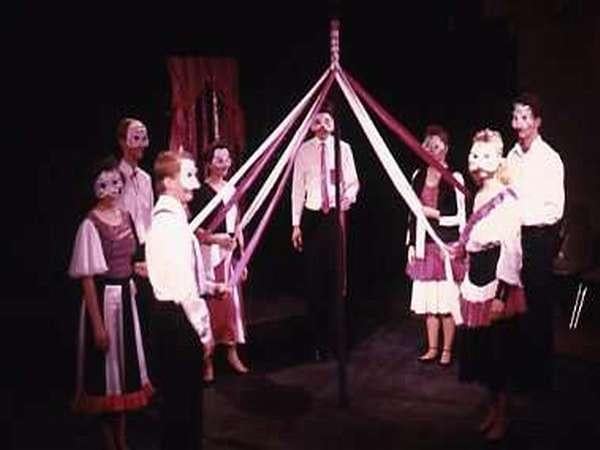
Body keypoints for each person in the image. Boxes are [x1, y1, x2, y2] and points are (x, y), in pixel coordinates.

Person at [68, 155, 153, 450]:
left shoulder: (127, 216)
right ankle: (109, 442)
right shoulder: (90, 225)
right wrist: (97, 325)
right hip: (105, 302)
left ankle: (123, 439)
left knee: (123, 374)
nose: (112, 189)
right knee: (107, 375)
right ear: (94, 188)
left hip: (125, 300)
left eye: (116, 183)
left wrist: (139, 269)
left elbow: (130, 259)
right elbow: (88, 278)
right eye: (104, 185)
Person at [145, 150, 226, 450]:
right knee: (183, 409)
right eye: (188, 176)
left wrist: (211, 285)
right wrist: (204, 332)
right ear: (168, 182)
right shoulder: (170, 225)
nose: (194, 184)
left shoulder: (171, 221)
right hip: (178, 320)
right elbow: (182, 288)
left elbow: (181, 273)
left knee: (182, 408)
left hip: (172, 316)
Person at [455, 129, 526, 441]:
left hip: (497, 281)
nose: (477, 162)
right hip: (477, 276)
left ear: (498, 161)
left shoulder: (506, 197)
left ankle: (504, 415)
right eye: (474, 156)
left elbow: (511, 248)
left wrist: (501, 295)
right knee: (484, 353)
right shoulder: (480, 195)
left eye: (485, 156)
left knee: (499, 354)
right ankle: (492, 409)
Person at [506, 93, 565, 391]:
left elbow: (555, 209)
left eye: (525, 117)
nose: (519, 124)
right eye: (516, 117)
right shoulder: (510, 157)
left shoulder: (550, 159)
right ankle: (519, 371)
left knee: (538, 307)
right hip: (513, 239)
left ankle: (541, 378)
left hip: (539, 239)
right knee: (515, 305)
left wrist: (523, 215)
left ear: (537, 122)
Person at [291, 110, 360, 361]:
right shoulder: (303, 151)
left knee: (335, 280)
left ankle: (336, 340)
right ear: (310, 126)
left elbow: (353, 182)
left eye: (327, 120)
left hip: (333, 217)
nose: (322, 125)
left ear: (333, 124)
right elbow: (297, 188)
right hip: (311, 219)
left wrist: (347, 198)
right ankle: (316, 343)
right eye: (317, 121)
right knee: (314, 282)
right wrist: (295, 224)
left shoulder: (344, 148)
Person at [405, 125, 466, 366]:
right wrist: (409, 243)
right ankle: (432, 348)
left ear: (446, 149)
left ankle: (447, 350)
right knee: (430, 303)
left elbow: (461, 216)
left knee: (446, 303)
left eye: (437, 145)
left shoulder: (455, 178)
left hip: (445, 245)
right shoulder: (417, 176)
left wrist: (434, 214)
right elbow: (412, 214)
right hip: (423, 245)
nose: (432, 149)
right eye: (428, 145)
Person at [189, 143, 249, 383]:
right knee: (211, 305)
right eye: (219, 159)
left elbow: (238, 225)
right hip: (208, 254)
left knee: (231, 304)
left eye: (227, 159)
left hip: (229, 255)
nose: (224, 163)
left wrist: (241, 257)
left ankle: (232, 352)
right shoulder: (201, 192)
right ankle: (208, 360)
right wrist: (216, 240)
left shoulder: (232, 189)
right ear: (209, 163)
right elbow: (195, 231)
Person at [115, 118, 155, 341]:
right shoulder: (114, 179)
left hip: (145, 249)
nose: (142, 144)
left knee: (147, 313)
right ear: (123, 142)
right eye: (136, 138)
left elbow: (148, 218)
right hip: (123, 253)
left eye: (144, 138)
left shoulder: (146, 179)